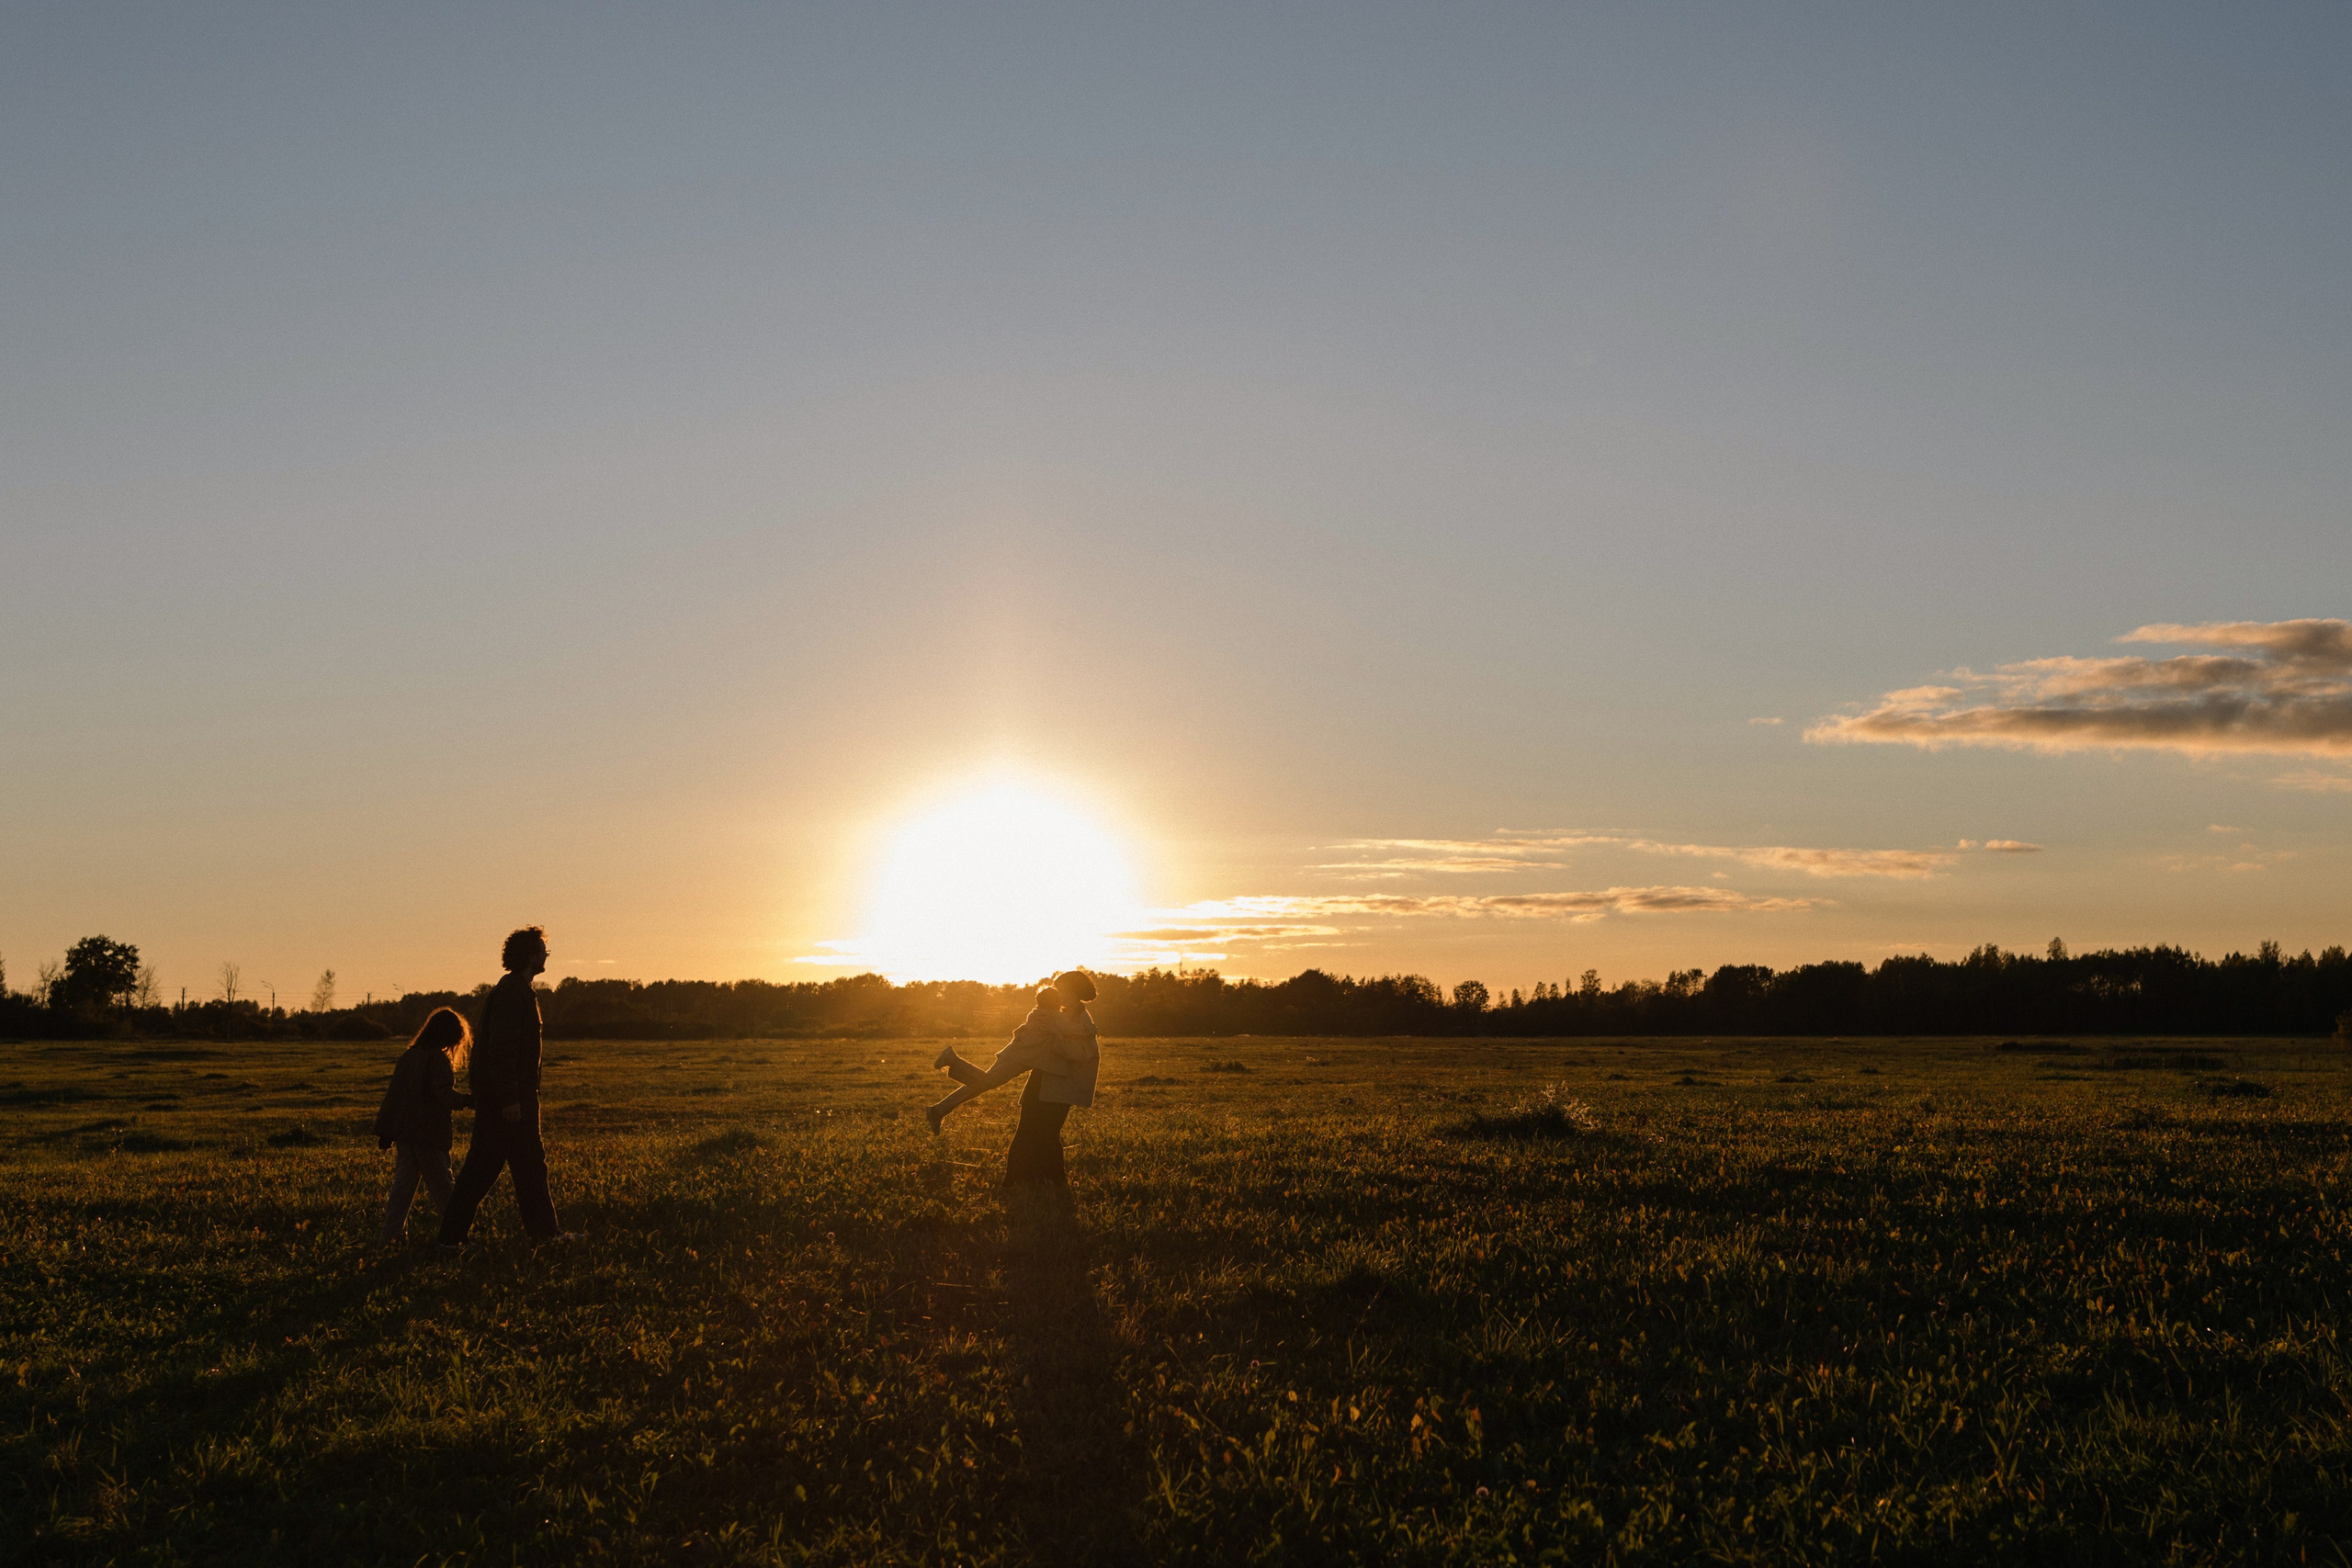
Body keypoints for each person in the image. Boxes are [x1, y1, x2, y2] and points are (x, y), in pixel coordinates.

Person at [436, 926, 568, 1248]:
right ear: (529, 956)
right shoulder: (512, 993)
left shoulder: (517, 990)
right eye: (541, 950)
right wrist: (510, 1099)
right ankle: (450, 1240)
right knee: (483, 1170)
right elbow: (502, 1050)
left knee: (528, 1168)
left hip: (513, 1100)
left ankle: (545, 1235)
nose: (545, 955)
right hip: (507, 1103)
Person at [370, 1008, 474, 1246]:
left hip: (406, 1133)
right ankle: (457, 1236)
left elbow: (394, 1095)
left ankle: (390, 1236)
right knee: (443, 1187)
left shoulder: (409, 1056)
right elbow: (443, 1095)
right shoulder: (437, 1059)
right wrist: (468, 1101)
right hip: (429, 1134)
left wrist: (386, 1131)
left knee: (403, 1187)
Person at [926, 986, 1078, 1132]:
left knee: (980, 1085)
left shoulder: (1037, 1014)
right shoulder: (1055, 1018)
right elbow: (1075, 1030)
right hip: (1020, 1058)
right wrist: (1089, 1028)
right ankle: (952, 1060)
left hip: (1015, 1054)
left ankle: (938, 1111)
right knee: (987, 1082)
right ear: (1056, 1003)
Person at [1004, 970, 1100, 1187]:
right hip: (1042, 1078)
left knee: (1047, 1133)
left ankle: (1051, 1179)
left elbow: (1086, 1052)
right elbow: (1037, 1032)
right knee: (1027, 1130)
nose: (1058, 993)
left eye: (1062, 988)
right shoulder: (1059, 1013)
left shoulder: (1082, 1019)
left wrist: (1059, 1043)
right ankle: (1020, 1179)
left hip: (1061, 1084)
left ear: (1073, 991)